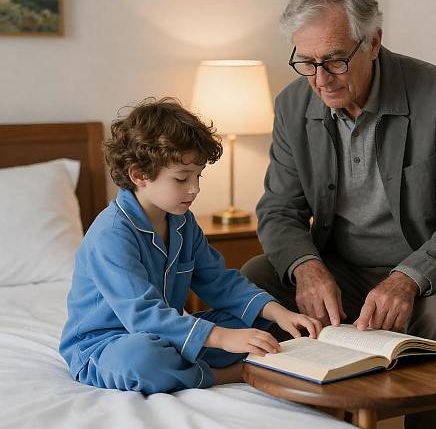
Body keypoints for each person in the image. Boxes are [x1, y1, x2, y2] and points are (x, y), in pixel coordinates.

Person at [240, 0, 436, 429]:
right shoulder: (291, 104)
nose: (321, 79)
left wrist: (407, 278)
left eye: (336, 60)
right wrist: (306, 268)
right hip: (342, 267)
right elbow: (279, 210)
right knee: (255, 279)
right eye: (306, 62)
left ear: (375, 42)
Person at [59, 97, 321, 395]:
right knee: (142, 358)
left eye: (198, 176)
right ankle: (226, 374)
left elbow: (219, 282)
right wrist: (221, 339)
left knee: (257, 324)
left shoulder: (182, 221)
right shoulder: (111, 234)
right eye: (182, 178)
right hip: (108, 345)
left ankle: (190, 358)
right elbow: (142, 315)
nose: (195, 188)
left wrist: (277, 312)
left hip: (168, 334)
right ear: (139, 175)